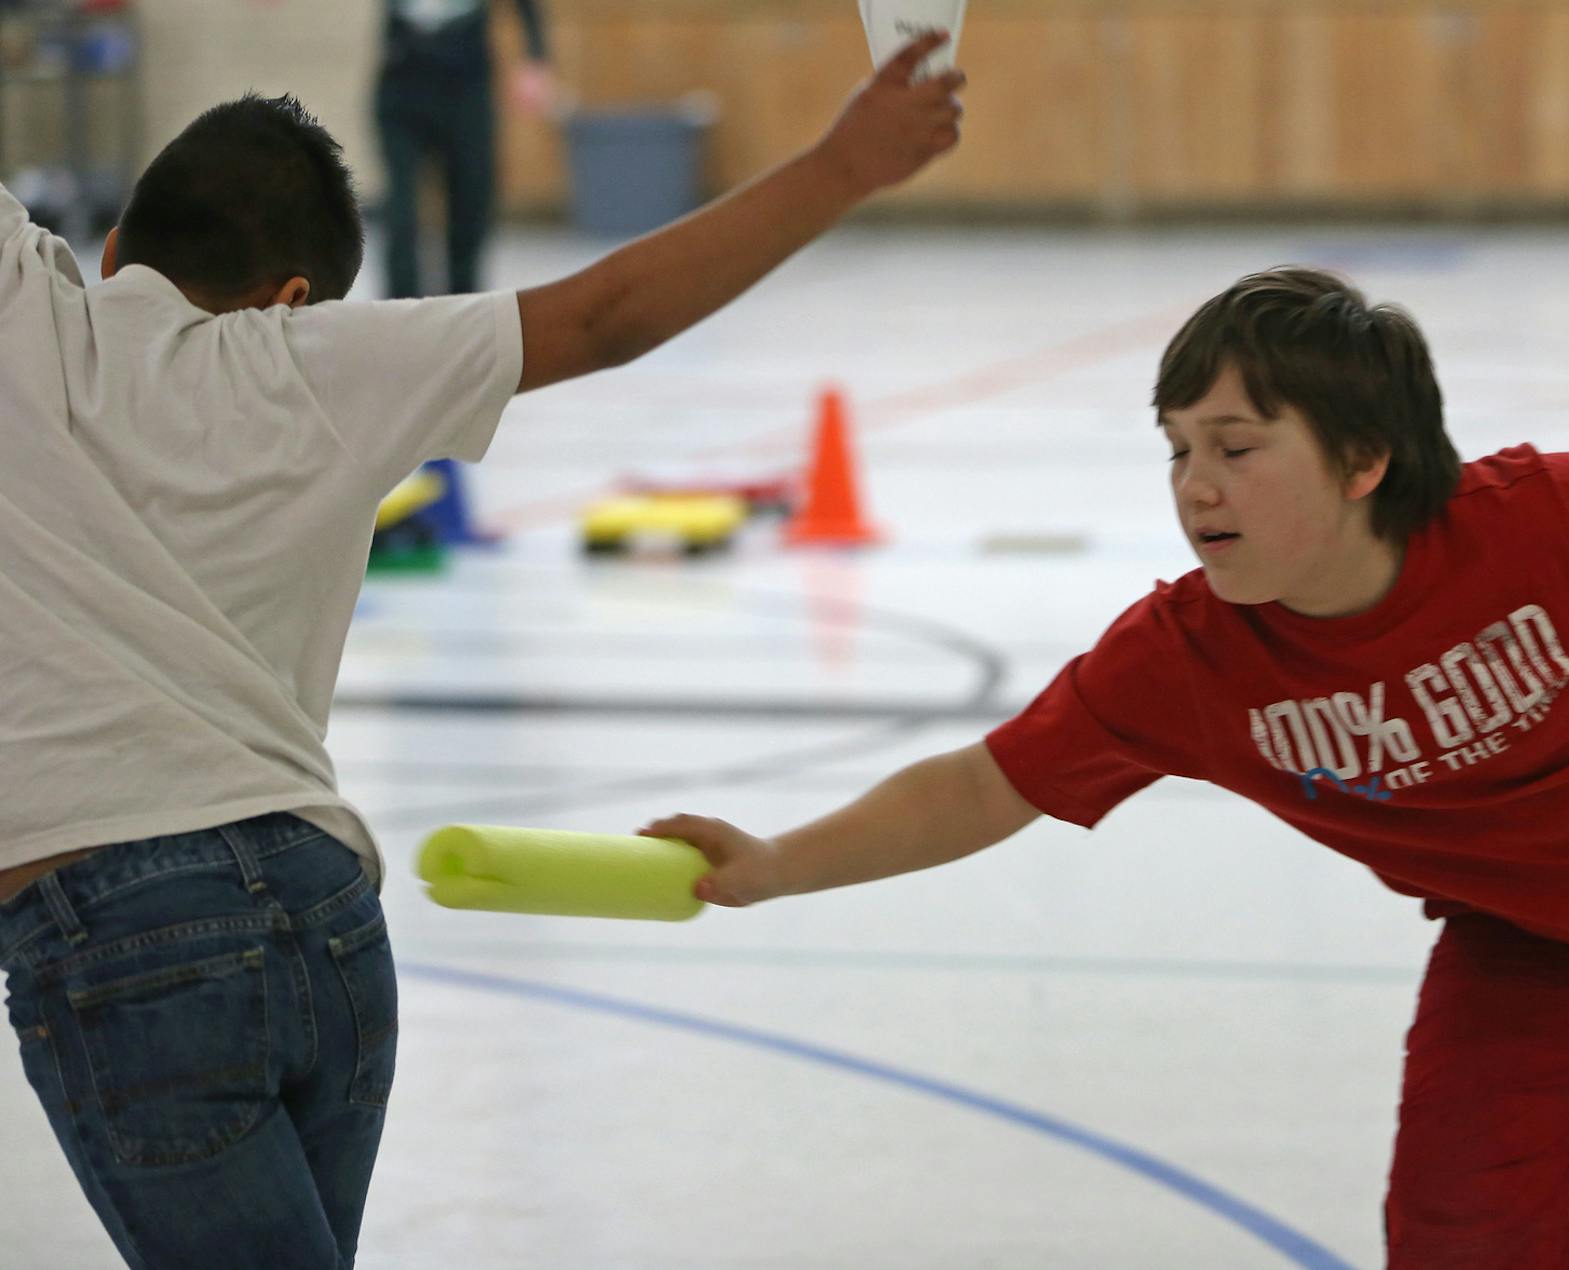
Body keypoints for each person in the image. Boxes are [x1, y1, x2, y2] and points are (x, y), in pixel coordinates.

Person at [640, 269, 1569, 1267]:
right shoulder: (1186, 659)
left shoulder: (1537, 523)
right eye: (1174, 450)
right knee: (1459, 1219)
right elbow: (983, 782)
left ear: (1360, 460)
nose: (1194, 485)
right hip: (1531, 924)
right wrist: (774, 863)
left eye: (1234, 444)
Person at [0, 35, 963, 1269]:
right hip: (323, 910)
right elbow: (608, 314)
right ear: (297, 297)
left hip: (120, 946)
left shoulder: (27, 312)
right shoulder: (319, 365)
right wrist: (840, 164)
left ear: (120, 251)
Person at [376, 0, 554, 300]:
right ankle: (398, 310)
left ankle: (463, 304)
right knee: (401, 210)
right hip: (403, 74)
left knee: (470, 200)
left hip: (466, 80)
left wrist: (535, 58)